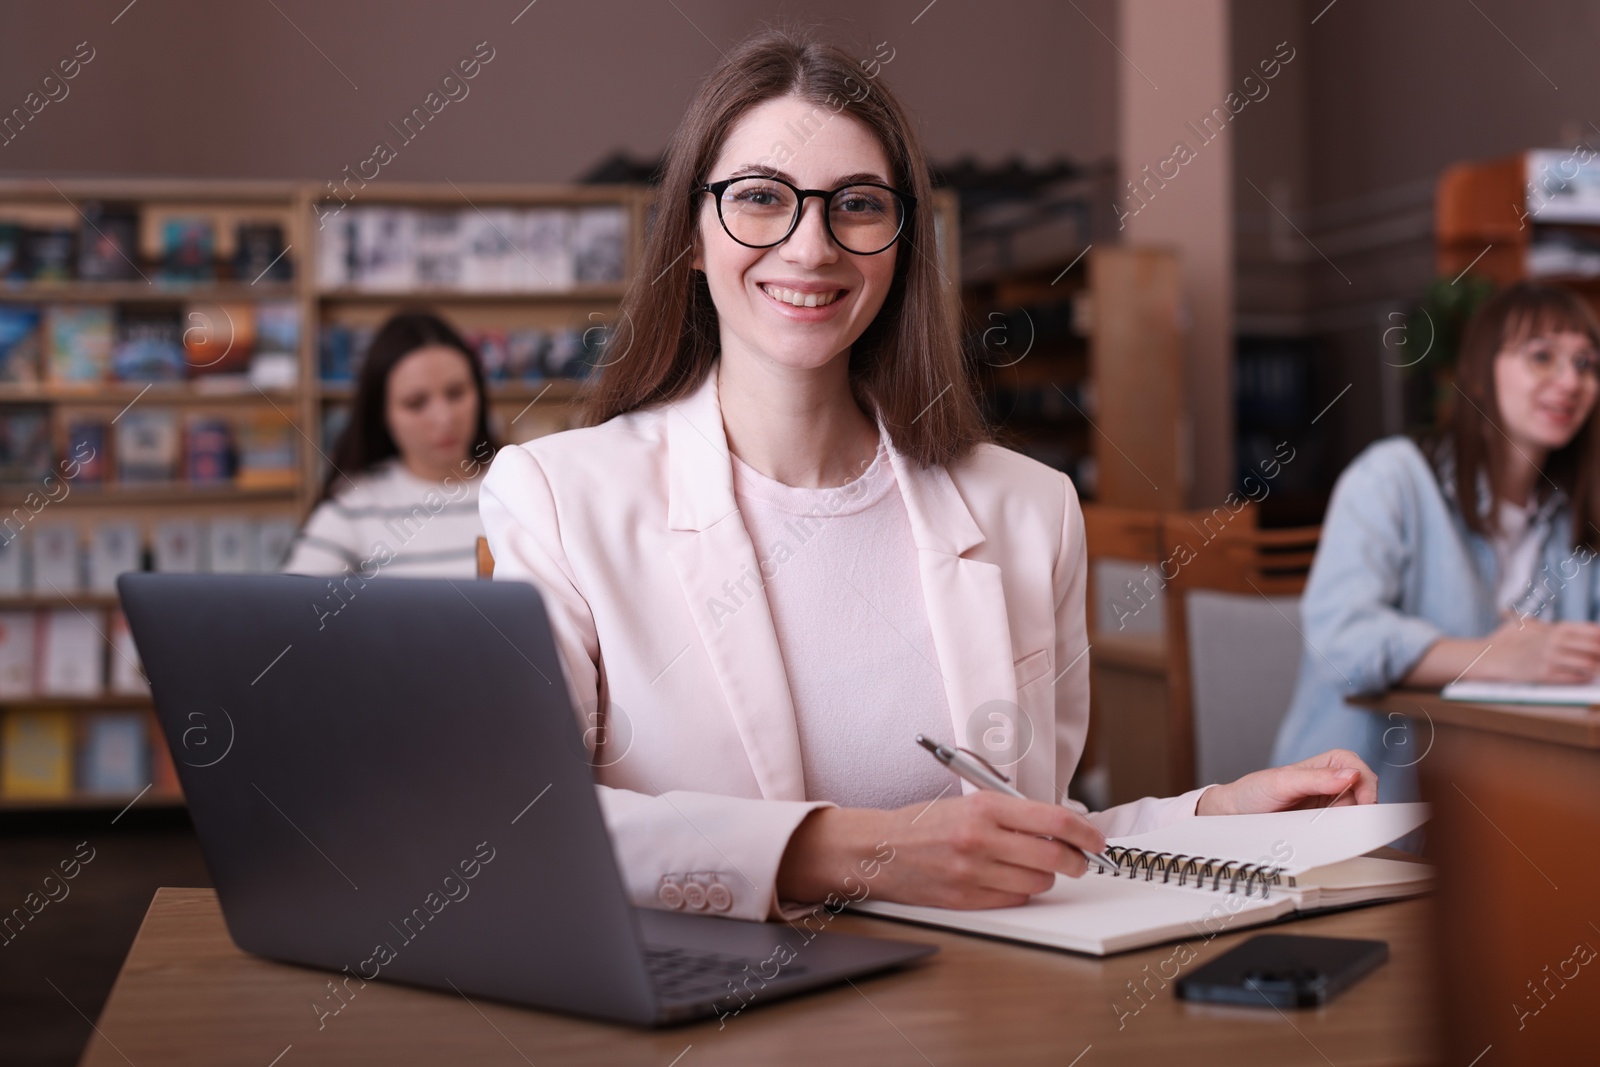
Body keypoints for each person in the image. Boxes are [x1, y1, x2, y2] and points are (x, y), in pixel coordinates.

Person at [481, 29, 1375, 923]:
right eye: (760, 198)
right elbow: (523, 828)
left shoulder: (1031, 510)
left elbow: (1033, 839)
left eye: (858, 205)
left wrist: (1217, 819)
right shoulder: (557, 499)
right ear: (689, 234)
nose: (810, 246)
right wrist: (852, 850)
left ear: (904, 242)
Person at [1273, 282, 1600, 801]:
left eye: (1586, 364)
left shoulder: (1576, 513)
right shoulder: (1390, 478)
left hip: (1518, 805)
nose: (1571, 381)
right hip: (1366, 812)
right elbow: (1341, 640)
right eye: (1542, 357)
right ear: (1477, 372)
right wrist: (1491, 657)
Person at [284, 310, 498, 579]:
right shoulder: (353, 504)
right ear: (382, 415)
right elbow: (294, 611)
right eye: (416, 403)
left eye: (456, 393)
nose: (444, 418)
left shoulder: (521, 485)